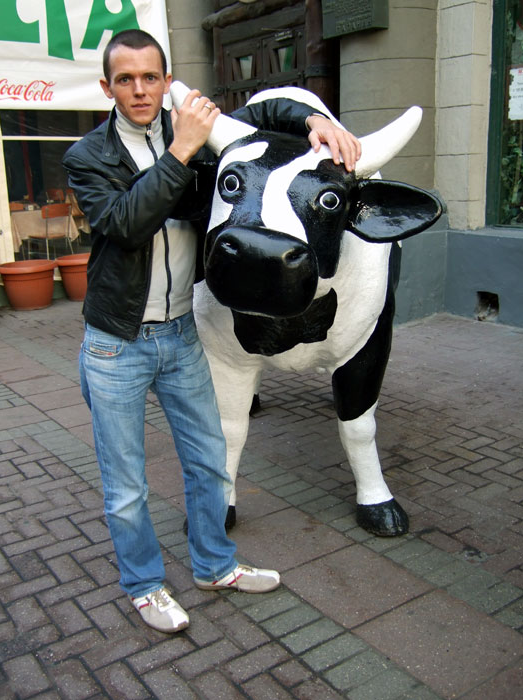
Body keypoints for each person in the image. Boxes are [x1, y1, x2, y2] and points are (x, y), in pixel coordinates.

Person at [63, 29, 361, 635]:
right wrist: (182, 151)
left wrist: (314, 120)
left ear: (166, 81)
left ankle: (214, 566)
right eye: (125, 79)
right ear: (107, 87)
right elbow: (124, 224)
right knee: (126, 486)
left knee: (209, 463)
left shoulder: (198, 133)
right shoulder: (89, 155)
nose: (139, 89)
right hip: (116, 342)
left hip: (179, 334)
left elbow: (265, 111)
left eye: (151, 77)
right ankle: (144, 586)